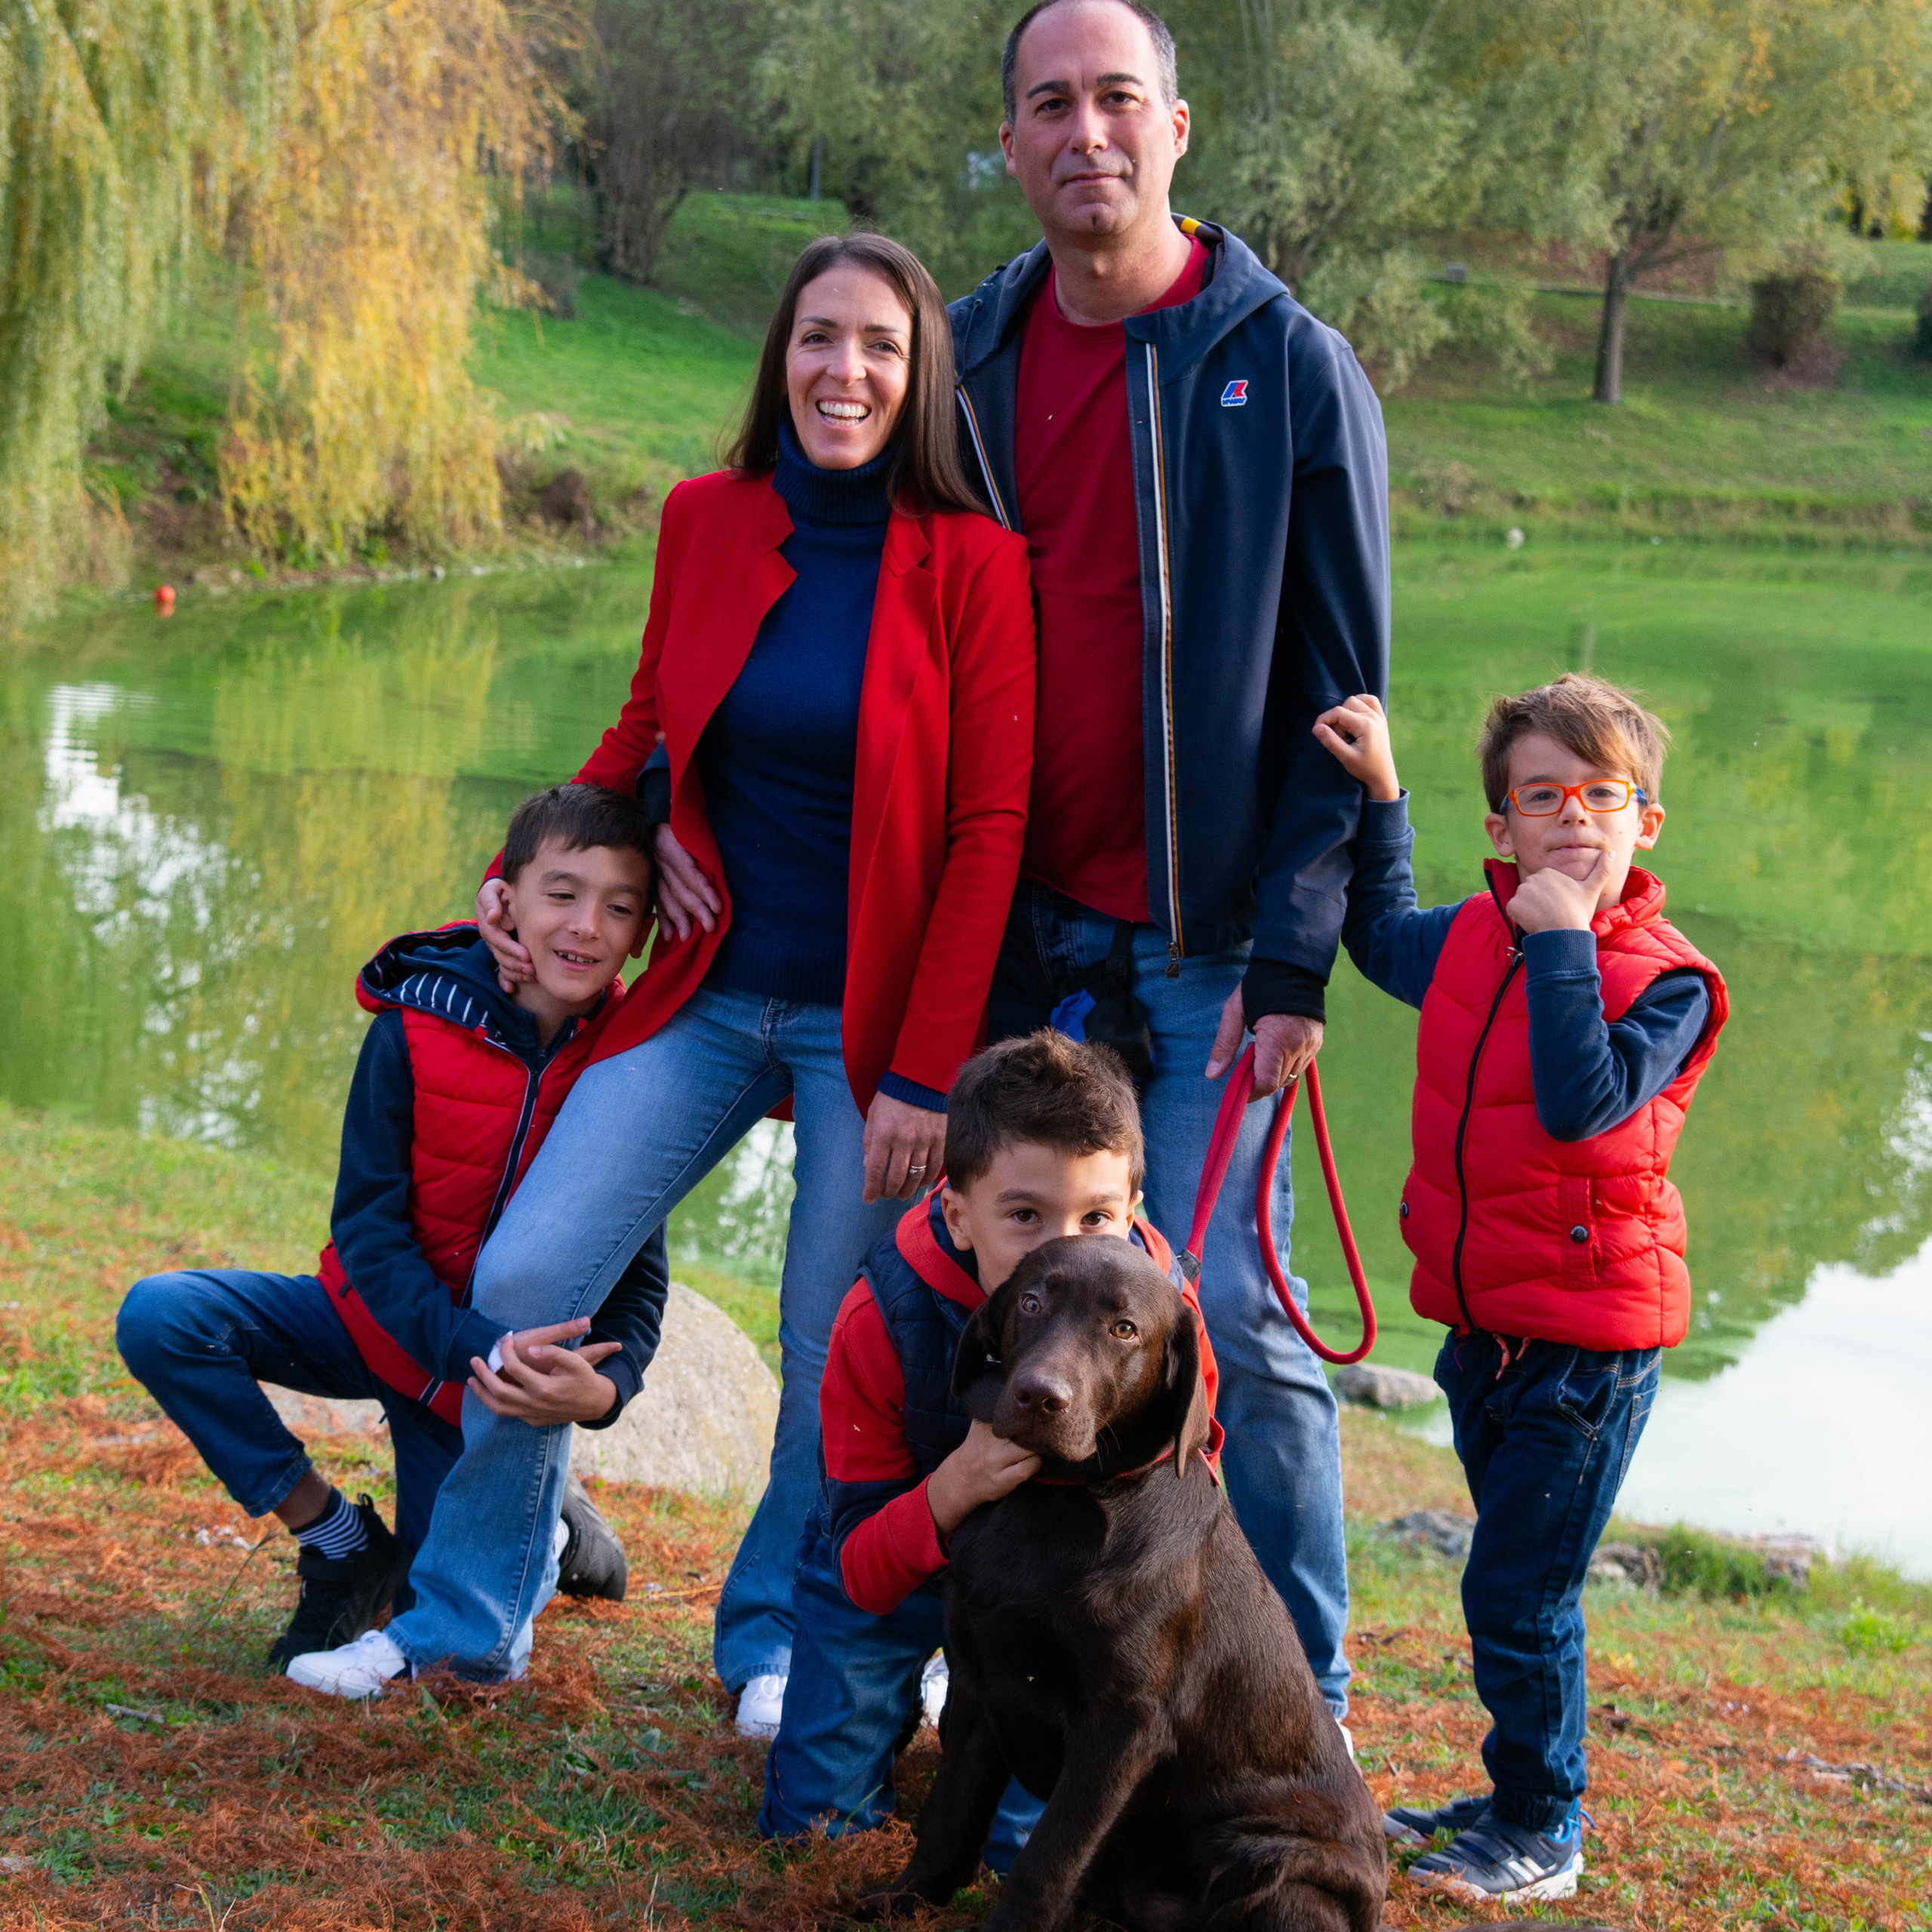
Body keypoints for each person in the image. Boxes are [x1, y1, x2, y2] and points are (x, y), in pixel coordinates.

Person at [290, 234, 1037, 1712]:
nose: (845, 371)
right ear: (780, 357)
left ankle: (777, 1635)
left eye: (881, 346)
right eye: (818, 338)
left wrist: (923, 1072)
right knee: (523, 1270)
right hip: (699, 989)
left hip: (869, 1026)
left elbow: (987, 825)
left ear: (920, 374)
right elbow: (644, 722)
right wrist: (547, 872)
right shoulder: (708, 518)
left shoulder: (974, 563)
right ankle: (468, 1612)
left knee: (838, 1338)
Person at [951, 0, 1389, 1722]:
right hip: (1018, 937)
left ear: (1176, 126)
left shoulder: (1283, 360)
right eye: (1048, 106)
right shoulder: (969, 348)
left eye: (1114, 99)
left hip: (1208, 944)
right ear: (1009, 143)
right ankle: (1015, 1677)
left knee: (1221, 1307)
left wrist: (1295, 961)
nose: (1085, 134)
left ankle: (1303, 1704)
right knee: (1007, 1301)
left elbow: (1344, 700)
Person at [1316, 675, 1727, 1903]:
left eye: (1603, 793)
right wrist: (1384, 798)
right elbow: (1378, 933)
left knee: (1523, 1590)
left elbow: (1581, 1102)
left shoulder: (1670, 981)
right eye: (1542, 796)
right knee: (1503, 1573)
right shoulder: (1470, 938)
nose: (1573, 817)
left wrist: (1558, 937)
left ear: (1646, 821)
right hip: (1484, 1332)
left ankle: (1546, 1829)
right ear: (1500, 826)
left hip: (1589, 1351)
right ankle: (1509, 1797)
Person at [115, 783, 665, 1682]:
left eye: (619, 907)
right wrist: (470, 1346)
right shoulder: (419, 1021)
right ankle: (338, 1542)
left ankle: (544, 1502)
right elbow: (366, 1229)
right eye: (561, 893)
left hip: (483, 1387)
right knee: (164, 1316)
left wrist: (607, 1390)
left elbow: (640, 1274)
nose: (586, 927)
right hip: (377, 1325)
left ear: (642, 932)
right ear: (505, 898)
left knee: (440, 1635)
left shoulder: (636, 1066)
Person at [758, 1029, 1220, 1866]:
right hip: (896, 1566)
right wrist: (955, 1485)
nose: (1061, 1248)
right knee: (815, 1828)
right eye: (1023, 1216)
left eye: (1097, 1217)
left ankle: (979, 1702)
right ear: (957, 1214)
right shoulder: (879, 1320)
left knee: (1020, 1850)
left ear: (1134, 1213)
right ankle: (896, 1693)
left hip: (1055, 1601)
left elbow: (1189, 1499)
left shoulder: (1165, 1321)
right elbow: (860, 1566)